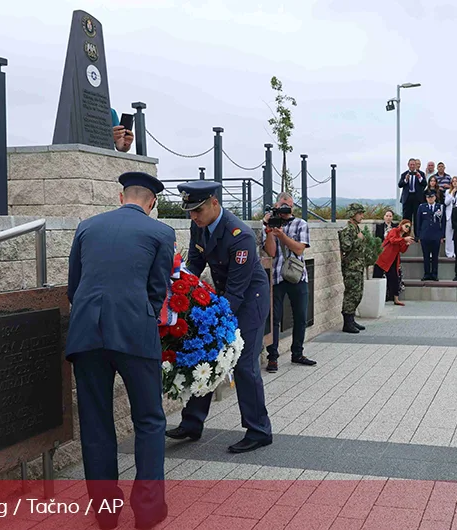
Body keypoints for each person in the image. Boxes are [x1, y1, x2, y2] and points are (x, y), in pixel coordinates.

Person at [65, 172, 174, 530]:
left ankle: (106, 514)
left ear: (120, 196)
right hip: (134, 332)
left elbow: (74, 285)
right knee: (149, 420)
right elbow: (157, 290)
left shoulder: (87, 226)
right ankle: (147, 511)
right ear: (152, 202)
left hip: (86, 334)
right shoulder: (161, 233)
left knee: (96, 424)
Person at [166, 181, 273, 454]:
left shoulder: (240, 236)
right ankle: (192, 424)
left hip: (250, 300)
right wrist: (183, 291)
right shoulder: (199, 225)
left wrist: (213, 321)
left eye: (198, 210)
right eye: (190, 211)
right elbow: (194, 264)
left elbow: (238, 291)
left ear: (214, 203)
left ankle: (259, 430)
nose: (194, 216)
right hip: (224, 296)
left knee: (244, 363)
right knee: (205, 355)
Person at [261, 192, 316, 373]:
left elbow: (299, 250)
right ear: (276, 207)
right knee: (274, 319)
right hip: (276, 277)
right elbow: (271, 253)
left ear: (292, 206)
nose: (285, 209)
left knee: (300, 316)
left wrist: (282, 236)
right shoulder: (269, 224)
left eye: (289, 206)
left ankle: (297, 353)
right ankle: (273, 358)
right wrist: (270, 232)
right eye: (282, 206)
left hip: (297, 276)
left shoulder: (301, 224)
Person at [339, 203, 367, 332]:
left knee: (357, 294)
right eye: (359, 213)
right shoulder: (348, 230)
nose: (362, 216)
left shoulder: (356, 228)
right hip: (351, 267)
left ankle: (352, 319)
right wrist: (358, 239)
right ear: (353, 214)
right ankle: (347, 323)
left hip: (358, 266)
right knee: (351, 294)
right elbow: (346, 247)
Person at [374, 218, 412, 305]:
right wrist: (404, 240)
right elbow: (392, 240)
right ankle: (376, 298)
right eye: (406, 226)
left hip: (393, 259)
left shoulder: (403, 237)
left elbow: (402, 250)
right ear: (401, 225)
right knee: (378, 277)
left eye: (409, 227)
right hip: (384, 257)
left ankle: (396, 299)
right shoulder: (394, 231)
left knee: (394, 278)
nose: (407, 228)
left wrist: (406, 244)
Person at [416, 189, 445, 281]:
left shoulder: (440, 207)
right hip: (425, 235)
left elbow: (443, 222)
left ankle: (434, 274)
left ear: (435, 197)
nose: (430, 199)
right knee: (426, 256)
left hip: (436, 235)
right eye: (428, 197)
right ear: (426, 198)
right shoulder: (422, 207)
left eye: (432, 197)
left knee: (435, 257)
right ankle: (427, 274)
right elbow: (418, 222)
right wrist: (419, 236)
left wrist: (442, 235)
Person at [398, 158, 426, 232]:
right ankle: (405, 233)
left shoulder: (421, 174)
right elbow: (400, 185)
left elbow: (424, 184)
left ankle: (417, 235)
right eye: (411, 165)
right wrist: (406, 180)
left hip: (417, 198)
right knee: (406, 217)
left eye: (414, 165)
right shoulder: (404, 174)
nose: (412, 166)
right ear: (408, 165)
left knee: (417, 217)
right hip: (407, 197)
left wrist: (419, 177)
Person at [444, 174, 457, 258]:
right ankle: (449, 252)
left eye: (456, 181)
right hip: (449, 214)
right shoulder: (448, 191)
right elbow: (446, 202)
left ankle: (456, 252)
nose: (455, 183)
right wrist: (452, 194)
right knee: (448, 234)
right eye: (453, 181)